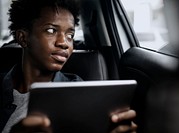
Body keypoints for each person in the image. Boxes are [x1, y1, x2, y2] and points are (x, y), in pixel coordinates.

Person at [0, 0, 137, 132]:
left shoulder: (80, 91)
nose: (64, 43)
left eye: (70, 35)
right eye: (51, 30)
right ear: (23, 38)